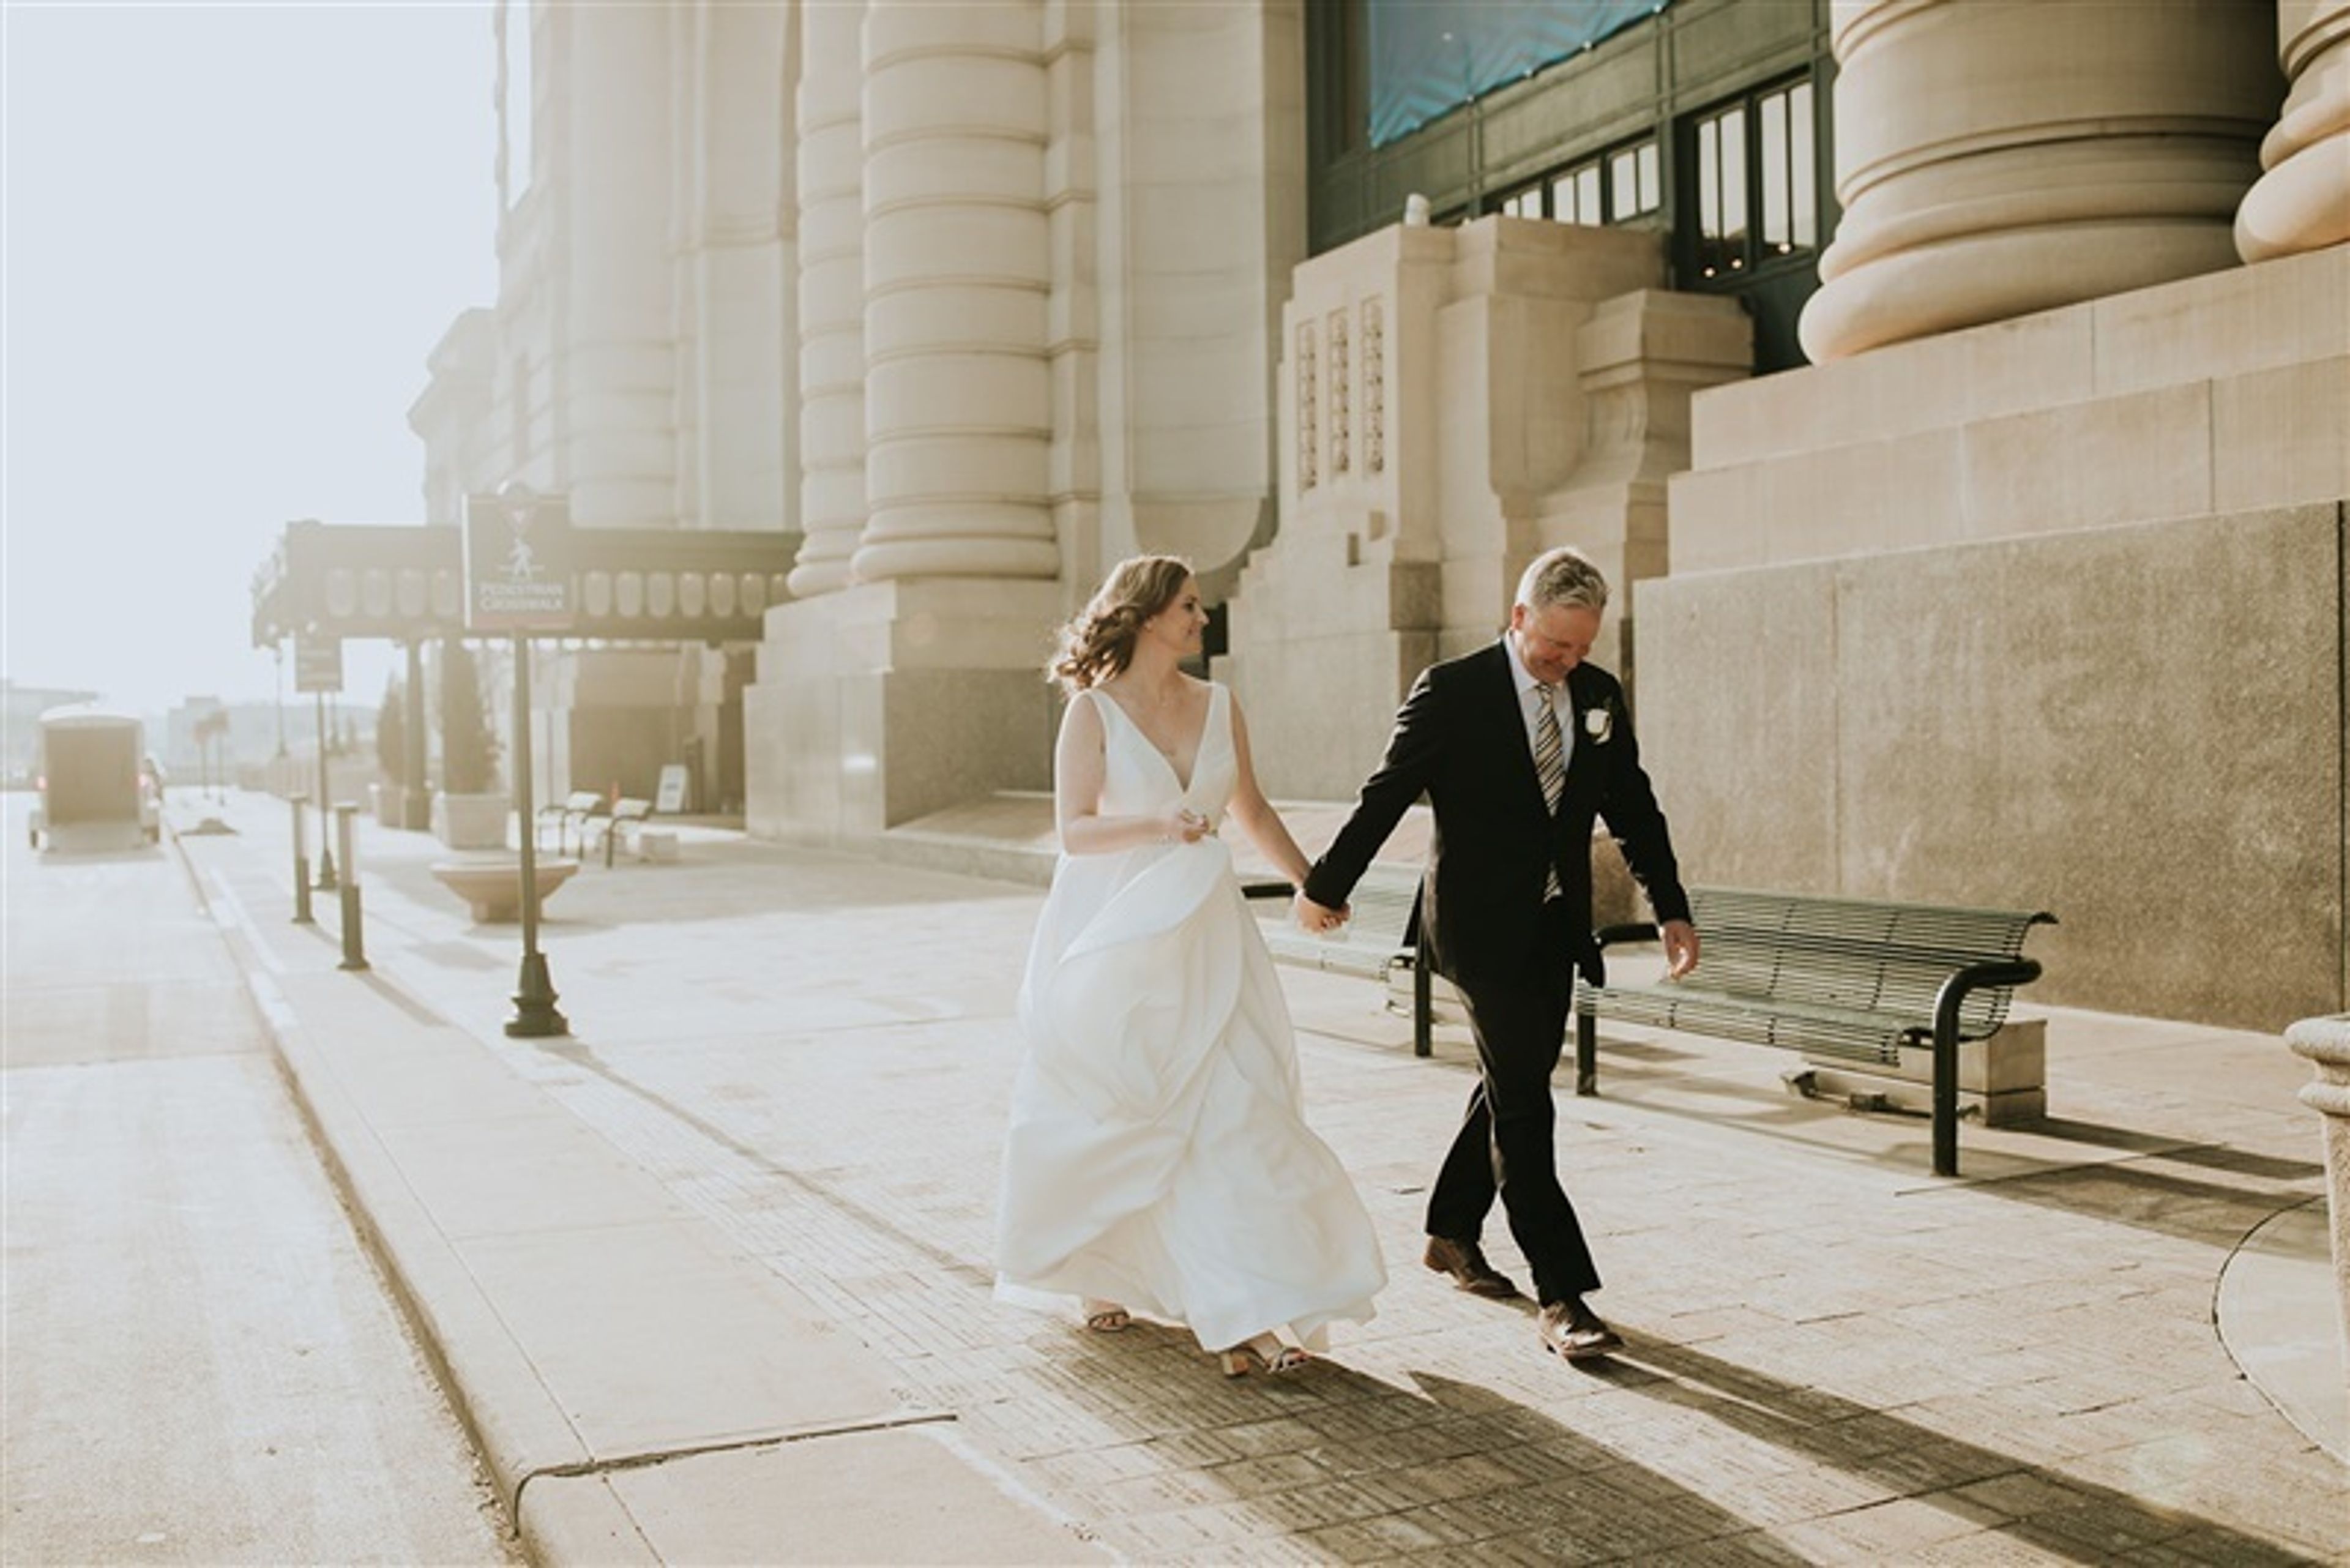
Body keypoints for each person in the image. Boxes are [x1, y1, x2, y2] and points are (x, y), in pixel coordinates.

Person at [1296, 546, 1698, 1362]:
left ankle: (1449, 1230)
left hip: (1556, 928)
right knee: (1524, 1102)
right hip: (1478, 931)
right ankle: (1563, 1294)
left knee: (1509, 1082)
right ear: (1518, 618)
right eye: (1553, 645)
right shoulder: (1453, 691)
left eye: (1581, 648)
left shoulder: (1597, 697)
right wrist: (1324, 884)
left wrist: (1672, 908)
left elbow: (1633, 807)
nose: (1565, 662)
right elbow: (1386, 793)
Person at [994, 556, 1387, 1376]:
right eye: (1188, 606)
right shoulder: (1092, 713)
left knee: (1232, 1110)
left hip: (1208, 930)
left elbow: (1252, 808)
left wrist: (1314, 883)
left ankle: (1251, 1299)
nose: (1202, 620)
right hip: (1117, 928)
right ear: (1143, 616)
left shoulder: (1219, 704)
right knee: (1118, 1101)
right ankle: (1097, 1267)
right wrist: (1155, 822)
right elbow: (1073, 831)